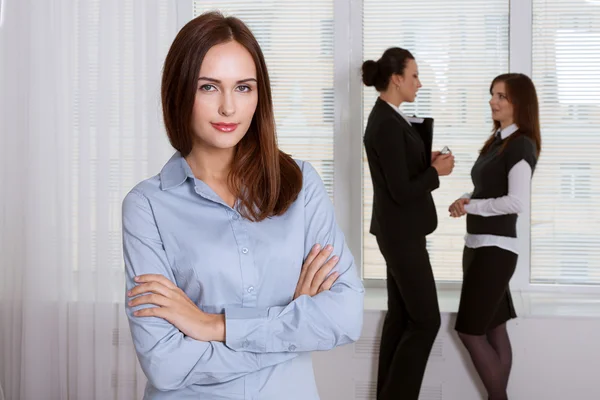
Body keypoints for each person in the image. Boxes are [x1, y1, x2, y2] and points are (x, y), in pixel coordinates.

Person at [122, 11, 364, 400]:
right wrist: (292, 324)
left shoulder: (300, 185)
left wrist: (213, 325)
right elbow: (164, 364)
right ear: (179, 91)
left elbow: (346, 316)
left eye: (244, 88)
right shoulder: (147, 206)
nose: (229, 109)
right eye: (208, 87)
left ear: (259, 95)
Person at [362, 47, 455, 400]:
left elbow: (396, 170)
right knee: (426, 320)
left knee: (401, 318)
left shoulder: (390, 117)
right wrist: (436, 172)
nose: (419, 82)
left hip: (399, 231)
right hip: (401, 234)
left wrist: (424, 158)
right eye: (414, 75)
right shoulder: (385, 122)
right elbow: (400, 190)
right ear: (396, 79)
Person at [449, 73, 541, 400]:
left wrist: (473, 206)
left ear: (520, 104)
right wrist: (466, 200)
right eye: (492, 94)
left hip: (496, 250)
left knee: (469, 332)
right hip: (477, 247)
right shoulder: (498, 142)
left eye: (501, 96)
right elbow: (488, 190)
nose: (493, 101)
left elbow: (516, 202)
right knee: (494, 326)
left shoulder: (521, 145)